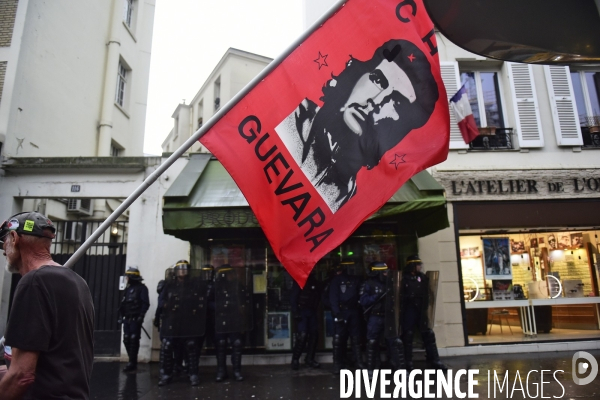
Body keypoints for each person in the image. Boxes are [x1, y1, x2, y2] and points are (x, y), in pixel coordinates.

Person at [275, 39, 438, 213]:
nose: (375, 101)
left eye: (396, 102)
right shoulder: (294, 121)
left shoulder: (349, 196)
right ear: (356, 74)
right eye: (378, 80)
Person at [0, 212, 94, 399]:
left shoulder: (33, 282)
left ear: (15, 238)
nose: (3, 249)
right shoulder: (77, 281)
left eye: (4, 241)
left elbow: (22, 376)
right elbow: (57, 355)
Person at [157, 261, 207, 386]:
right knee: (167, 345)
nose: (183, 271)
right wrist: (165, 305)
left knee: (191, 345)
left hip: (188, 320)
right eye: (180, 268)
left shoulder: (194, 285)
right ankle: (166, 374)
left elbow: (201, 300)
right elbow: (161, 301)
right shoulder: (169, 285)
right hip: (173, 321)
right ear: (176, 271)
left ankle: (193, 373)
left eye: (185, 268)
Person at [401, 255, 446, 371]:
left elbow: (429, 293)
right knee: (408, 337)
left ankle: (435, 360)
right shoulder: (403, 278)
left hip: (421, 310)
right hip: (409, 310)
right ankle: (408, 362)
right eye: (418, 265)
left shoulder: (423, 277)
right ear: (412, 266)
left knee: (429, 335)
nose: (420, 267)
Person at [360, 262, 405, 377]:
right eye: (384, 271)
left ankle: (400, 369)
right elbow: (363, 301)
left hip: (389, 316)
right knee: (372, 342)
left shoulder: (391, 283)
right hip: (375, 316)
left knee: (395, 342)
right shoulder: (368, 284)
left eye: (387, 271)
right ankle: (371, 370)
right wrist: (377, 296)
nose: (386, 273)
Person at [213, 264, 253, 382]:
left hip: (234, 318)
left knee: (237, 343)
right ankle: (221, 371)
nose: (232, 276)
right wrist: (220, 307)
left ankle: (236, 370)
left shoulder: (238, 286)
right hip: (221, 318)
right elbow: (208, 302)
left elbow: (245, 301)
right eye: (229, 274)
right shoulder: (217, 287)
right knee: (220, 344)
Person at [329, 264, 365, 374]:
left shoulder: (356, 279)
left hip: (353, 311)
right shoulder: (337, 280)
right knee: (338, 338)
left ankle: (358, 361)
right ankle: (337, 364)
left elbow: (360, 295)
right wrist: (336, 313)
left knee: (355, 337)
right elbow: (333, 297)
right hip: (342, 311)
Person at [118, 266, 150, 372]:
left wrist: (141, 316)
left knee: (133, 339)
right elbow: (123, 304)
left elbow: (145, 303)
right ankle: (131, 360)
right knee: (126, 339)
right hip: (127, 318)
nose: (126, 279)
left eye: (128, 277)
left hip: (135, 319)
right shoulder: (128, 289)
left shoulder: (142, 288)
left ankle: (132, 362)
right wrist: (120, 316)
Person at [289, 270, 322, 370]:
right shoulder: (299, 280)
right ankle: (295, 359)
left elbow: (318, 295)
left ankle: (309, 359)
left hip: (311, 311)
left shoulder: (314, 281)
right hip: (302, 311)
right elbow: (293, 297)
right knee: (302, 336)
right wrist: (295, 312)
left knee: (314, 335)